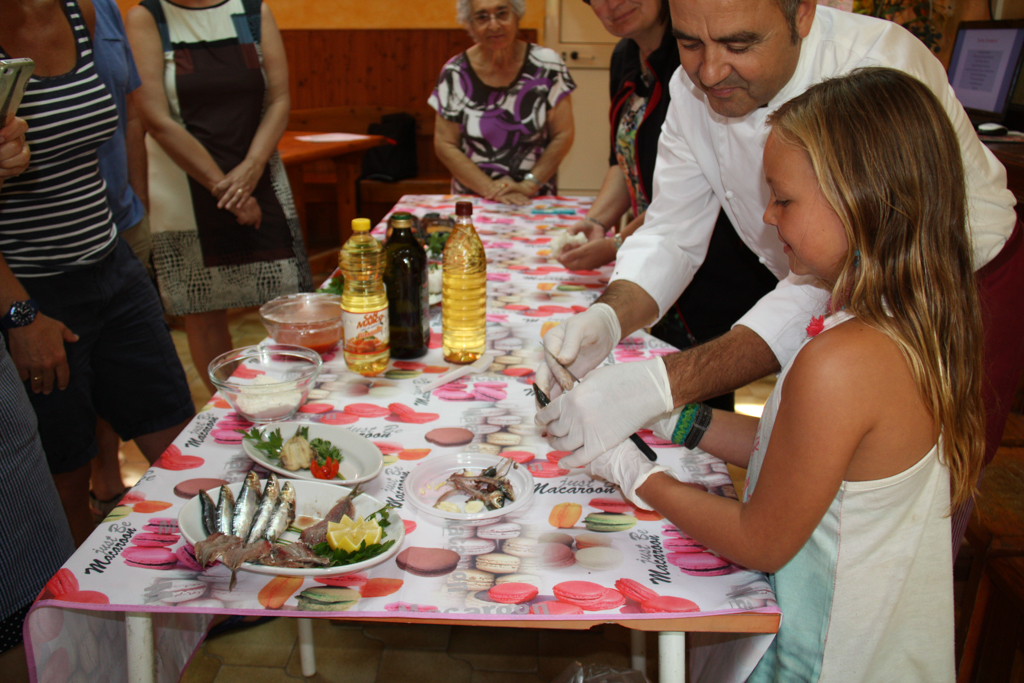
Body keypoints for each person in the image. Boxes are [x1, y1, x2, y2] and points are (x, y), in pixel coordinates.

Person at [536, 0, 1024, 546]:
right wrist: (608, 318)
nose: (708, 72)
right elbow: (672, 231)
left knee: (910, 518)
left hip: (959, 286)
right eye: (689, 43)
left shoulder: (877, 70)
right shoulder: (690, 88)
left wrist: (657, 391)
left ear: (803, 14)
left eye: (739, 45)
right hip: (826, 285)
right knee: (816, 482)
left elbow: (824, 289)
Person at [591, 67, 982, 680]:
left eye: (784, 198)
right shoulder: (899, 322)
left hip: (824, 658)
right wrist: (671, 418)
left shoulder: (844, 361)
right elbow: (798, 453)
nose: (768, 216)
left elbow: (760, 540)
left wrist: (631, 472)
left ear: (863, 200)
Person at [0, 0, 195, 546]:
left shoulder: (86, 11)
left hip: (112, 264)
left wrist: (136, 222)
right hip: (33, 291)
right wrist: (20, 314)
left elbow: (123, 122)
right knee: (64, 474)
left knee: (180, 443)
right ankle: (81, 596)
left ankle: (216, 573)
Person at [558, 0, 775, 408]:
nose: (613, 3)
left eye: (736, 45)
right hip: (659, 266)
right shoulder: (631, 59)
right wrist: (598, 224)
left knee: (699, 395)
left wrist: (618, 243)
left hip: (714, 274)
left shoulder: (699, 63)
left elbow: (697, 194)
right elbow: (631, 169)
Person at [127, 0, 313, 395]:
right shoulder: (147, 17)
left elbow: (279, 100)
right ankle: (233, 409)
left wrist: (250, 170)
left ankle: (294, 400)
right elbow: (156, 118)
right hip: (182, 187)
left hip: (259, 174)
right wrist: (228, 190)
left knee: (289, 306)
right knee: (203, 311)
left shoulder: (252, 10)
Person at [89, 0, 152, 522]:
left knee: (140, 379)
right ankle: (102, 481)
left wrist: (139, 203)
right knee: (75, 386)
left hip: (121, 226)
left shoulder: (105, 10)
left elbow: (130, 116)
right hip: (43, 260)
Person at [430, 0, 576, 206]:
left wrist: (528, 185)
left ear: (516, 16)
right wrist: (491, 189)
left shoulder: (548, 65)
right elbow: (445, 144)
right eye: (482, 17)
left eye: (502, 14)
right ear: (470, 24)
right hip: (474, 200)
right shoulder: (455, 72)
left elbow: (563, 134)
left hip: (535, 199)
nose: (494, 25)